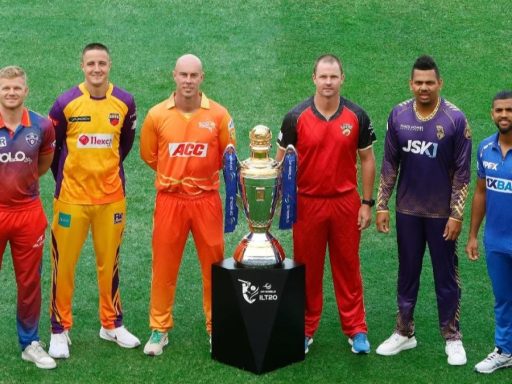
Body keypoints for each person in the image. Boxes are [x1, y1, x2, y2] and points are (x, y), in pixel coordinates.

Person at [276, 53, 376, 355]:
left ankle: (356, 328)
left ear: (342, 78)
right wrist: (278, 203)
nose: (328, 82)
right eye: (323, 76)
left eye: (334, 77)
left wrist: (366, 203)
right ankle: (305, 328)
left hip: (345, 203)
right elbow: (280, 163)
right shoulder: (295, 117)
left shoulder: (357, 116)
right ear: (314, 79)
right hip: (307, 204)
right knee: (307, 269)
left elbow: (368, 159)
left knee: (348, 266)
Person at [375, 55, 471, 366]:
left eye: (430, 82)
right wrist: (382, 205)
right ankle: (404, 332)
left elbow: (462, 172)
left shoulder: (455, 120)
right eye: (419, 82)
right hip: (408, 212)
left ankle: (452, 336)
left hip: (442, 215)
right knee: (407, 272)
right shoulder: (398, 115)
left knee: (446, 277)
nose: (424, 88)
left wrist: (456, 214)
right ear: (411, 83)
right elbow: (390, 163)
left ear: (440, 83)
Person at [140, 54, 236, 356]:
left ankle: (216, 326)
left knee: (214, 267)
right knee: (164, 267)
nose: (188, 81)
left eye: (194, 75)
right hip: (170, 200)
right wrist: (176, 175)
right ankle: (159, 329)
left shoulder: (219, 116)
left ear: (202, 78)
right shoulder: (156, 115)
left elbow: (228, 156)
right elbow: (149, 155)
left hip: (207, 201)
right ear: (174, 76)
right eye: (183, 75)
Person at [48, 43, 140, 359]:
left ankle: (111, 324)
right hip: (71, 200)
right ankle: (59, 330)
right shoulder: (65, 104)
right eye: (91, 63)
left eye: (102, 63)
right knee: (64, 267)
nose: (97, 69)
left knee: (109, 264)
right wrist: (67, 178)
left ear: (110, 64)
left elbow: (123, 145)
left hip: (111, 199)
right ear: (82, 66)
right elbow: (52, 150)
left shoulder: (125, 102)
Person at [0, 66, 56, 369]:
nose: (11, 92)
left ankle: (30, 342)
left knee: (29, 281)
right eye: (6, 88)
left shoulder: (42, 126)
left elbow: (43, 164)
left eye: (16, 88)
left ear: (26, 91)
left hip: (28, 214)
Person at [466, 90, 512, 374]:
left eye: (509, 110)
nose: (504, 115)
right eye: (499, 111)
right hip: (496, 241)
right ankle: (505, 350)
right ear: (492, 114)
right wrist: (472, 235)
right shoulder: (485, 149)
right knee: (503, 297)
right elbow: (481, 193)